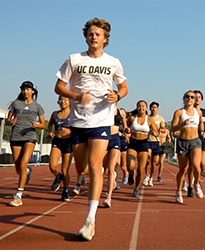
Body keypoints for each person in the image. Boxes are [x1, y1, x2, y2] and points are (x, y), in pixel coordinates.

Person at [54, 17, 128, 241]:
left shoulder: (113, 62)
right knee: (82, 169)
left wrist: (118, 95)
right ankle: (101, 177)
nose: (93, 36)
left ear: (105, 39)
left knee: (96, 166)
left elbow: (123, 86)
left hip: (102, 120)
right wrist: (76, 96)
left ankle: (90, 218)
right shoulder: (74, 59)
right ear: (86, 37)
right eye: (90, 33)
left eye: (98, 34)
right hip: (78, 122)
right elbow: (58, 86)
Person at [6, 81, 45, 207]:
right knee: (18, 169)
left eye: (28, 89)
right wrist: (11, 122)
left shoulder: (37, 107)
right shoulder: (15, 104)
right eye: (23, 89)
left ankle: (18, 196)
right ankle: (27, 171)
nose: (25, 91)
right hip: (15, 137)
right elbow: (7, 120)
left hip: (30, 137)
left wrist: (37, 125)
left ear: (33, 91)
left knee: (23, 164)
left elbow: (43, 125)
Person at [171, 90, 205, 204]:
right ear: (183, 98)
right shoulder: (179, 112)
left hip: (195, 142)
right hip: (183, 142)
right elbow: (173, 128)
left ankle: (196, 185)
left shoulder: (198, 113)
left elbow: (201, 124)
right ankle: (179, 191)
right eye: (187, 97)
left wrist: (203, 131)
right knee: (183, 170)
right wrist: (182, 124)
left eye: (192, 97)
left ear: (195, 100)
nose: (189, 99)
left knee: (196, 165)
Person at [125, 100, 159, 198]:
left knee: (141, 169)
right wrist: (126, 131)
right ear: (137, 107)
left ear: (146, 108)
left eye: (143, 106)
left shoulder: (149, 120)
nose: (141, 108)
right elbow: (125, 128)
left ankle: (136, 189)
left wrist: (155, 132)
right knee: (130, 165)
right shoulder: (132, 118)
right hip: (133, 143)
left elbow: (156, 132)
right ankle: (131, 173)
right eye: (139, 106)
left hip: (143, 144)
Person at [186, 90, 205, 197]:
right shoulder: (188, 111)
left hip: (203, 139)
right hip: (192, 139)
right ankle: (190, 186)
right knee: (192, 165)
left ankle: (197, 180)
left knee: (202, 164)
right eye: (194, 97)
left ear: (201, 100)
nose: (197, 99)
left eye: (199, 97)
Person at [103, 93, 127, 208]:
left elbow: (125, 125)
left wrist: (126, 130)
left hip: (115, 139)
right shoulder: (103, 110)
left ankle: (109, 197)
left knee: (111, 168)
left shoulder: (120, 112)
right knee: (103, 169)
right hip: (103, 139)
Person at [48, 96, 73, 201]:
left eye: (66, 100)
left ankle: (65, 190)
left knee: (65, 169)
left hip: (68, 142)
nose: (63, 102)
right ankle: (58, 176)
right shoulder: (55, 114)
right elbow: (50, 124)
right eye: (61, 100)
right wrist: (50, 131)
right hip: (57, 141)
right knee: (52, 165)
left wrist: (72, 132)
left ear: (70, 102)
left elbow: (80, 128)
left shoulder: (74, 114)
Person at [143, 101, 166, 186]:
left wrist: (158, 129)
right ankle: (147, 175)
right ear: (149, 108)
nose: (153, 109)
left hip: (156, 141)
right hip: (147, 140)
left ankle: (151, 178)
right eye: (152, 107)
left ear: (157, 109)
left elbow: (164, 129)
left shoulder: (160, 119)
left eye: (155, 107)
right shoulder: (147, 118)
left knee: (154, 162)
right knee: (147, 159)